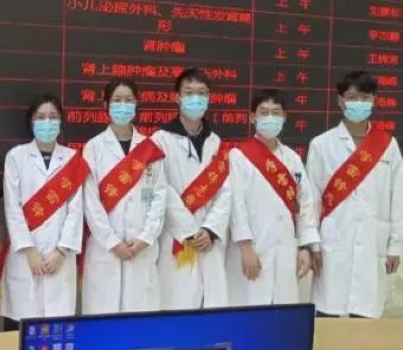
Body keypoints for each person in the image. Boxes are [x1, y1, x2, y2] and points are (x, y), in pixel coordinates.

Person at [306, 71, 403, 318]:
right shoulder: (322, 144)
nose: (358, 103)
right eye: (352, 97)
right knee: (327, 317)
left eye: (365, 97)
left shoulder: (388, 146)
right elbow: (311, 199)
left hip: (373, 244)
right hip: (332, 244)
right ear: (340, 100)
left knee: (365, 320)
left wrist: (396, 246)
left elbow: (398, 199)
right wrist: (312, 243)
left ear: (374, 100)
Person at [0, 94, 86, 329]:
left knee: (57, 333)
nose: (47, 122)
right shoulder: (15, 157)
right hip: (25, 257)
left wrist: (61, 251)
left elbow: (76, 210)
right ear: (31, 121)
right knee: (21, 330)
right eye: (41, 117)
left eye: (53, 117)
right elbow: (12, 208)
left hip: (60, 259)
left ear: (61, 121)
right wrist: (30, 251)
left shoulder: (72, 159)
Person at [82, 78, 168, 313]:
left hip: (142, 249)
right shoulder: (94, 147)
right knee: (104, 322)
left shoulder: (149, 149)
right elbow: (90, 202)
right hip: (105, 250)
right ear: (105, 105)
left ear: (136, 104)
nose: (123, 105)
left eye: (128, 100)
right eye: (117, 100)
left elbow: (159, 196)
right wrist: (112, 241)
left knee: (141, 322)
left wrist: (145, 238)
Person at [226, 90, 320, 306]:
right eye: (264, 112)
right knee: (249, 311)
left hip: (285, 250)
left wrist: (305, 246)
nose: (270, 118)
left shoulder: (292, 158)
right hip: (253, 249)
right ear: (252, 117)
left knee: (282, 313)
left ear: (284, 117)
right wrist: (246, 247)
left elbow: (305, 205)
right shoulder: (239, 156)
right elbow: (236, 205)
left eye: (276, 113)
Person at [152, 68, 231, 309]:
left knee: (213, 314)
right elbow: (161, 190)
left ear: (209, 98)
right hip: (178, 239)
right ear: (177, 97)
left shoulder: (216, 142)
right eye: (188, 92)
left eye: (201, 93)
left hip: (209, 240)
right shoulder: (160, 140)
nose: (195, 99)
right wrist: (189, 230)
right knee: (177, 310)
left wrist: (210, 229)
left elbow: (226, 191)